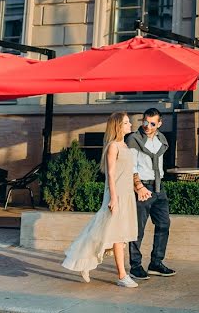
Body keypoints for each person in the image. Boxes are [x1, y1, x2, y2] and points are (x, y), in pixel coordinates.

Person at [62, 112, 139, 288]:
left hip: (127, 196)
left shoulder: (125, 146)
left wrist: (138, 189)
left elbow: (128, 172)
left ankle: (85, 262)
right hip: (116, 195)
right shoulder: (113, 146)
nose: (130, 125)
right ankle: (122, 275)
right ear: (118, 126)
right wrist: (113, 198)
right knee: (115, 236)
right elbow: (110, 174)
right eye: (126, 123)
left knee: (106, 234)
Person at [127, 107, 176, 280]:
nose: (147, 126)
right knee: (137, 229)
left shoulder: (161, 139)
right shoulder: (134, 139)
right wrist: (138, 187)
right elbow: (130, 166)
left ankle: (156, 263)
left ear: (159, 124)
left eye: (152, 123)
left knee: (164, 224)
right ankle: (135, 266)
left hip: (159, 187)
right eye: (145, 122)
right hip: (143, 188)